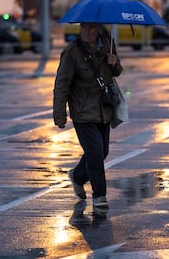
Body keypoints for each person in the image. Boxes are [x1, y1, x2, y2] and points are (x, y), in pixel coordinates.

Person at [53, 23, 123, 209]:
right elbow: (62, 83)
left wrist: (114, 62)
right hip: (82, 112)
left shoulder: (108, 44)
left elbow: (117, 72)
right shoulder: (72, 51)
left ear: (98, 29)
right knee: (94, 152)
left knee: (102, 152)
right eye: (83, 27)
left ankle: (77, 176)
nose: (86, 31)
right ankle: (100, 196)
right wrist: (59, 114)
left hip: (104, 110)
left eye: (91, 28)